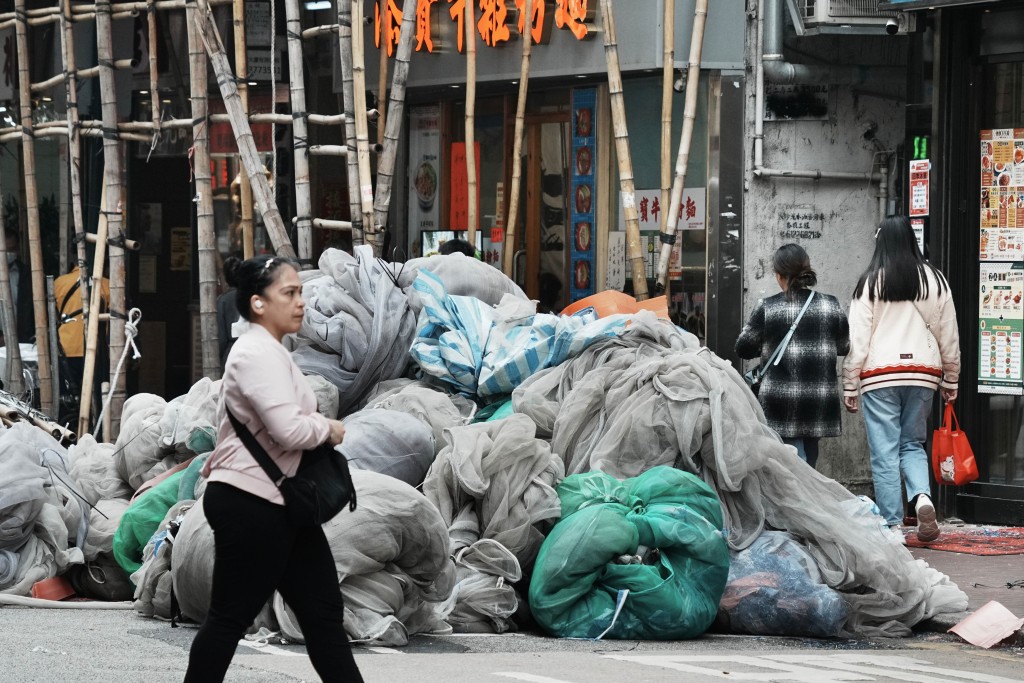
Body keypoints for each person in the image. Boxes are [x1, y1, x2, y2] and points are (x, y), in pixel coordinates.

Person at [185, 255, 363, 683]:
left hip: (283, 503)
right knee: (230, 618)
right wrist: (328, 428)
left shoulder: (270, 350)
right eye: (290, 293)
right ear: (258, 303)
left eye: (300, 291)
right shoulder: (254, 353)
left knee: (322, 617)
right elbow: (287, 430)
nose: (301, 302)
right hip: (252, 504)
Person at [842, 216, 960, 544]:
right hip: (923, 374)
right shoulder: (935, 280)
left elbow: (858, 339)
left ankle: (893, 525)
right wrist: (951, 379)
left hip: (879, 376)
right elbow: (948, 333)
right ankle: (923, 498)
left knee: (884, 450)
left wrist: (850, 383)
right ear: (911, 239)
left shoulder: (869, 283)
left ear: (881, 241)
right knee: (912, 443)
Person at [736, 244, 850, 468]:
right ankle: (807, 494)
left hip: (781, 399)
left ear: (779, 275)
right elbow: (844, 346)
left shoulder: (768, 307)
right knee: (809, 455)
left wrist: (769, 342)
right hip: (819, 397)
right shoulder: (831, 305)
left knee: (793, 463)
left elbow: (743, 348)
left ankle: (800, 497)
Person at [53, 264, 110, 425]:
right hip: (95, 350)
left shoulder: (60, 282)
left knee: (68, 399)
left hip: (65, 349)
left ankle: (68, 429)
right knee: (96, 397)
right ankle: (94, 428)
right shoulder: (107, 284)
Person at [0, 227, 34, 345]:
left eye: (12, 249)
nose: (9, 253)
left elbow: (29, 309)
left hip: (21, 339)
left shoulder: (25, 274)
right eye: (5, 250)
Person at [215, 254, 242, 370]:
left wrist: (220, 358)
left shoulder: (223, 300)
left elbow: (221, 338)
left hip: (232, 354)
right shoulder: (254, 295)